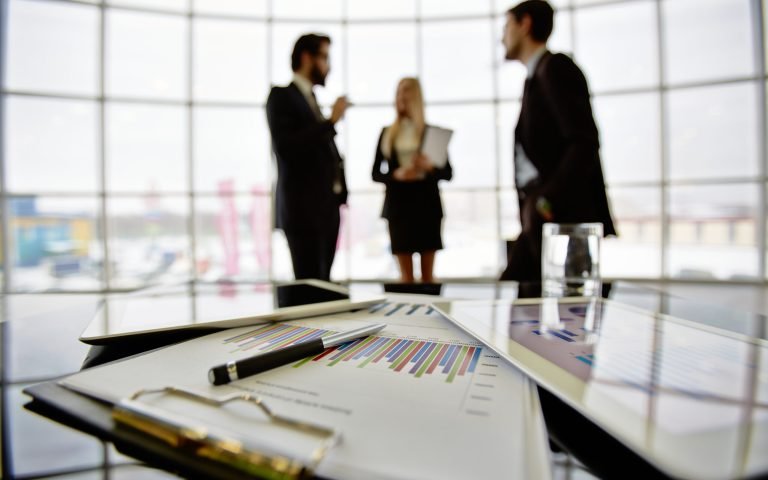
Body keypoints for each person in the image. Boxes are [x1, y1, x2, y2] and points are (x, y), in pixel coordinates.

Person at [499, 0, 616, 281]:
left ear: (525, 24)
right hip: (542, 216)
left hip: (560, 220)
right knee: (523, 297)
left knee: (564, 308)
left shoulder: (556, 68)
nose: (502, 36)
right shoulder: (535, 78)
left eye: (506, 26)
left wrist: (545, 200)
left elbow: (584, 142)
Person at [266, 34, 349, 281]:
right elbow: (287, 147)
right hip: (303, 212)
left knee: (324, 285)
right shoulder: (281, 96)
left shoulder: (310, 99)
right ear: (306, 57)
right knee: (310, 289)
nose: (328, 66)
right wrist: (331, 121)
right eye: (324, 57)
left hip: (326, 209)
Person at [372, 78, 453, 283]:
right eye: (398, 92)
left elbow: (448, 173)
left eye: (406, 91)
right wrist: (396, 175)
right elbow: (375, 173)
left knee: (428, 277)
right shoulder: (387, 133)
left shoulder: (431, 133)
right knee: (405, 278)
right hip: (399, 207)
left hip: (427, 205)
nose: (401, 96)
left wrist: (429, 168)